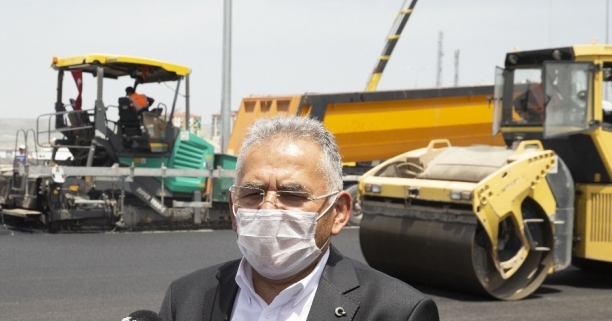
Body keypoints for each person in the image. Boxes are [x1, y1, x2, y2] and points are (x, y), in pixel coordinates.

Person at [159, 116, 439, 321]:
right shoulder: (185, 299)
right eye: (253, 194)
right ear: (233, 207)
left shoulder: (396, 312)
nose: (268, 209)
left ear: (339, 212)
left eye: (292, 195)